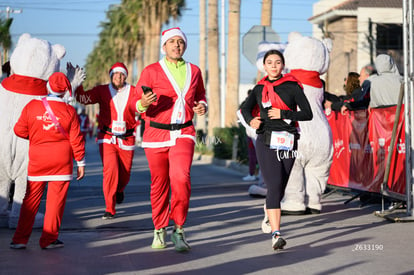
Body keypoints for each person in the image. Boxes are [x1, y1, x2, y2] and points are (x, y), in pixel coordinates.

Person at [136, 27, 207, 252]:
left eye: (181, 42)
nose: (177, 45)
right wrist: (144, 103)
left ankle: (178, 229)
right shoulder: (150, 71)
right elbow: (137, 102)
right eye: (172, 42)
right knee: (159, 184)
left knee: (180, 178)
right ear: (164, 46)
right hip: (155, 134)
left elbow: (200, 95)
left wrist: (202, 105)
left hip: (183, 132)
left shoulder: (194, 70)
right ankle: (159, 228)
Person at [241, 49, 313, 250]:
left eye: (277, 62)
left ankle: (268, 211)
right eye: (269, 62)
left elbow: (307, 114)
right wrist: (251, 120)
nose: (273, 65)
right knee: (273, 185)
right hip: (265, 140)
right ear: (264, 66)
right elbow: (245, 109)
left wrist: (284, 112)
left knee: (280, 186)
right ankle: (276, 234)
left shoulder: (293, 87)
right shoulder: (259, 88)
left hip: (289, 141)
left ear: (283, 65)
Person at [10, 72, 85, 249]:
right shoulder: (69, 110)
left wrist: (36, 137)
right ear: (64, 91)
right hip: (61, 162)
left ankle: (20, 240)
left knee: (30, 201)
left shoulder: (32, 106)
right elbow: (76, 139)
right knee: (55, 202)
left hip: (38, 160)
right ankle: (49, 239)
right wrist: (80, 163)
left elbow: (19, 130)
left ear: (48, 87)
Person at [72, 62, 138, 220]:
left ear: (126, 76)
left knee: (125, 174)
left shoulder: (134, 91)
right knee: (110, 171)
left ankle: (120, 189)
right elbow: (83, 98)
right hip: (107, 137)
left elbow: (145, 105)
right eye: (115, 74)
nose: (118, 77)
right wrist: (77, 84)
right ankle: (110, 207)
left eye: (122, 74)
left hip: (127, 138)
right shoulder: (101, 90)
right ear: (111, 75)